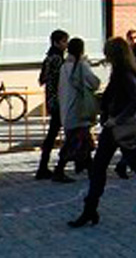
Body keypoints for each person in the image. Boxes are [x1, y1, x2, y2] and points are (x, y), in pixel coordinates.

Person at [68, 38, 136, 227]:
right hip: (117, 125)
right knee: (134, 164)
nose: (105, 57)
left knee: (103, 167)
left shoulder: (124, 74)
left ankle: (90, 209)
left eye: (108, 53)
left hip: (118, 126)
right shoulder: (122, 72)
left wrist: (116, 117)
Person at [56, 38, 100, 181]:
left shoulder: (64, 67)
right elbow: (95, 83)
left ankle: (89, 167)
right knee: (77, 142)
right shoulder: (82, 66)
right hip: (80, 110)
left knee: (81, 141)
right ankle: (60, 169)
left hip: (67, 109)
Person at [36, 29, 69, 180]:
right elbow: (60, 80)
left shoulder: (49, 58)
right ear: (56, 42)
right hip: (58, 100)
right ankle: (50, 167)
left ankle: (44, 166)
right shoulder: (57, 59)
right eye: (63, 41)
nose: (66, 44)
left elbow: (42, 79)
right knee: (59, 133)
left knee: (54, 133)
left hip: (51, 99)